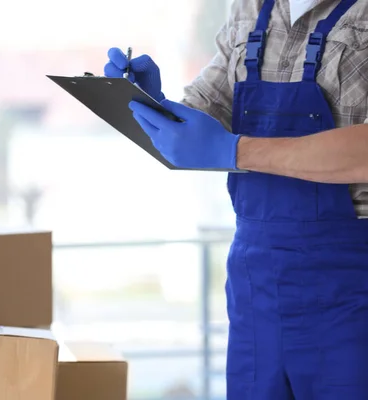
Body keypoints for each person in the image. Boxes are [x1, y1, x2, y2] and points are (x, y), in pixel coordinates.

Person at [104, 0, 368, 399]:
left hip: (351, 288)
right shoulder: (249, 7)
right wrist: (147, 105)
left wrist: (233, 151)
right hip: (256, 286)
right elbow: (206, 116)